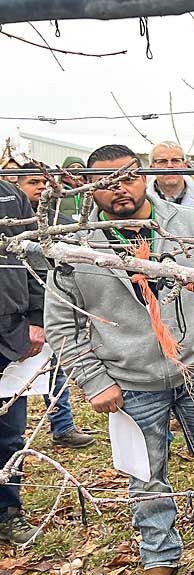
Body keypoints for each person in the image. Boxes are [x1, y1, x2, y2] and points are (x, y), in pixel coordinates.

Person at [45, 144, 194, 575]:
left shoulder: (187, 224)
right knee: (145, 474)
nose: (118, 190)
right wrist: (94, 380)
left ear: (144, 175)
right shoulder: (72, 246)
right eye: (104, 183)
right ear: (88, 188)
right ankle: (159, 553)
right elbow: (62, 323)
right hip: (129, 381)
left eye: (127, 178)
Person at [15, 165, 95, 449]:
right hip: (18, 310)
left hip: (51, 303)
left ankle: (63, 425)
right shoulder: (13, 224)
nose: (39, 187)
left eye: (43, 182)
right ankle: (16, 433)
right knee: (17, 375)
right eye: (32, 182)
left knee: (55, 367)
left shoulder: (56, 221)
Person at [0, 179, 45, 545]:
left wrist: (37, 316)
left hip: (10, 334)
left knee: (9, 434)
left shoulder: (11, 195)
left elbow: (33, 256)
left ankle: (7, 512)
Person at [56, 156, 88, 220]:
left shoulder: (88, 190)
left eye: (79, 167)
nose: (75, 169)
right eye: (72, 167)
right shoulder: (57, 190)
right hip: (63, 226)